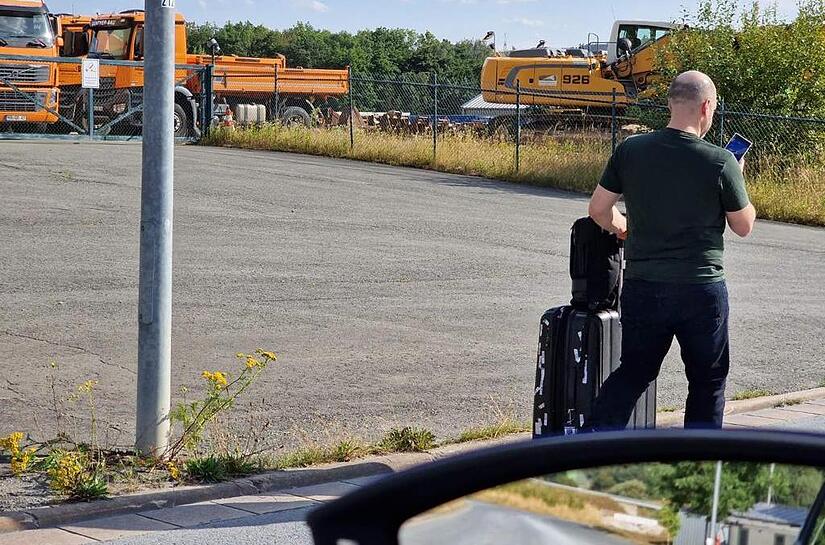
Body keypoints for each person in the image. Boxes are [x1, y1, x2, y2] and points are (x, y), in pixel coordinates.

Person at [588, 70, 756, 429]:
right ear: (706, 107)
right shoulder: (720, 161)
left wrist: (623, 228)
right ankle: (699, 464)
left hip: (644, 285)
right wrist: (737, 175)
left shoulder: (631, 150)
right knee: (707, 381)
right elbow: (743, 226)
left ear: (670, 103)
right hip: (701, 289)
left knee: (633, 373)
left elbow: (599, 209)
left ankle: (584, 450)